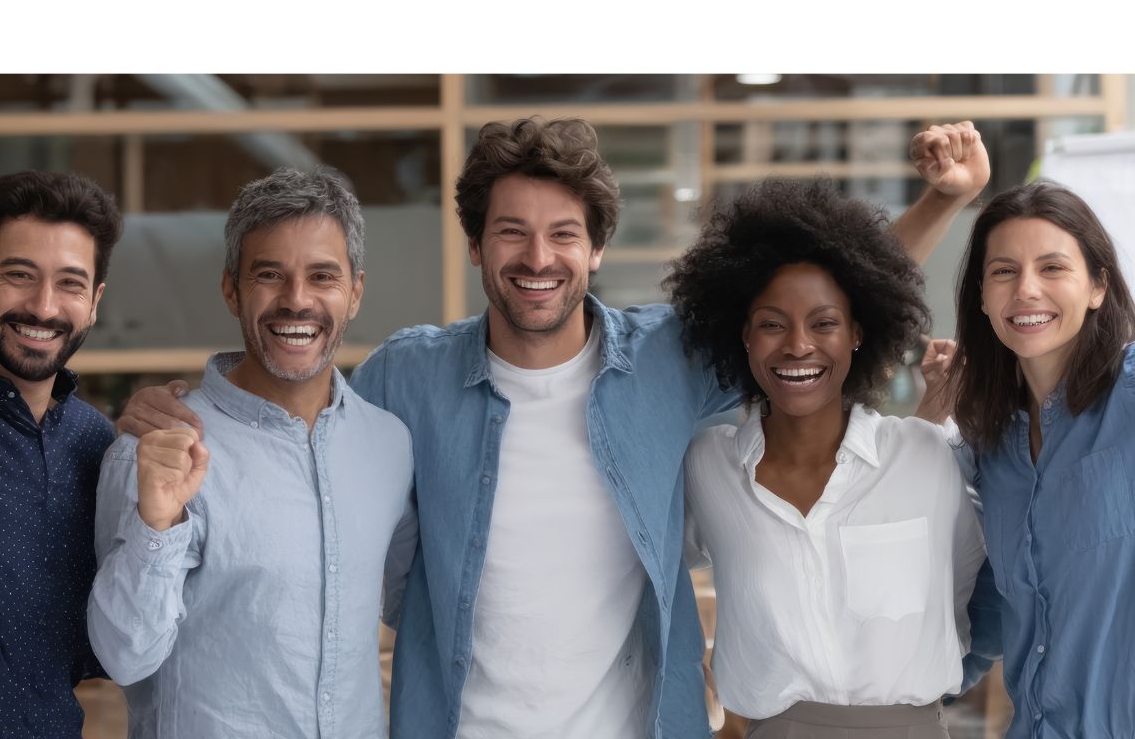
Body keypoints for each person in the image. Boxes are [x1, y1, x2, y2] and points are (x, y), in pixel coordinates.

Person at [118, 118, 989, 738]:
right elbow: (299, 415)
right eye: (512, 232)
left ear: (597, 248)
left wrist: (941, 204)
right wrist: (181, 412)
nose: (538, 258)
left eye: (563, 233)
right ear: (476, 247)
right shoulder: (409, 378)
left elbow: (813, 303)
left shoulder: (667, 360)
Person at [87, 167, 415, 738]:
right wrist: (157, 524)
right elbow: (123, 657)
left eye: (323, 276)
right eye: (270, 274)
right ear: (231, 288)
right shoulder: (156, 450)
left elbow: (416, 603)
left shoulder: (388, 444)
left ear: (355, 292)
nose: (297, 300)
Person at [666, 178, 987, 739]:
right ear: (742, 335)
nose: (797, 345)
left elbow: (971, 589)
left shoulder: (929, 456)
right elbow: (646, 570)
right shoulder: (707, 468)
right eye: (772, 324)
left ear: (859, 331)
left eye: (824, 323)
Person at [0, 171, 121, 738]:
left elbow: (106, 649)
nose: (43, 307)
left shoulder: (100, 445)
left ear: (94, 302)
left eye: (70, 283)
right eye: (19, 275)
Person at [946, 182, 1135, 738]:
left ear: (1098, 285)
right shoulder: (991, 446)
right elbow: (988, 614)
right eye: (1004, 271)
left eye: (1053, 268)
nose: (1027, 290)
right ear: (982, 296)